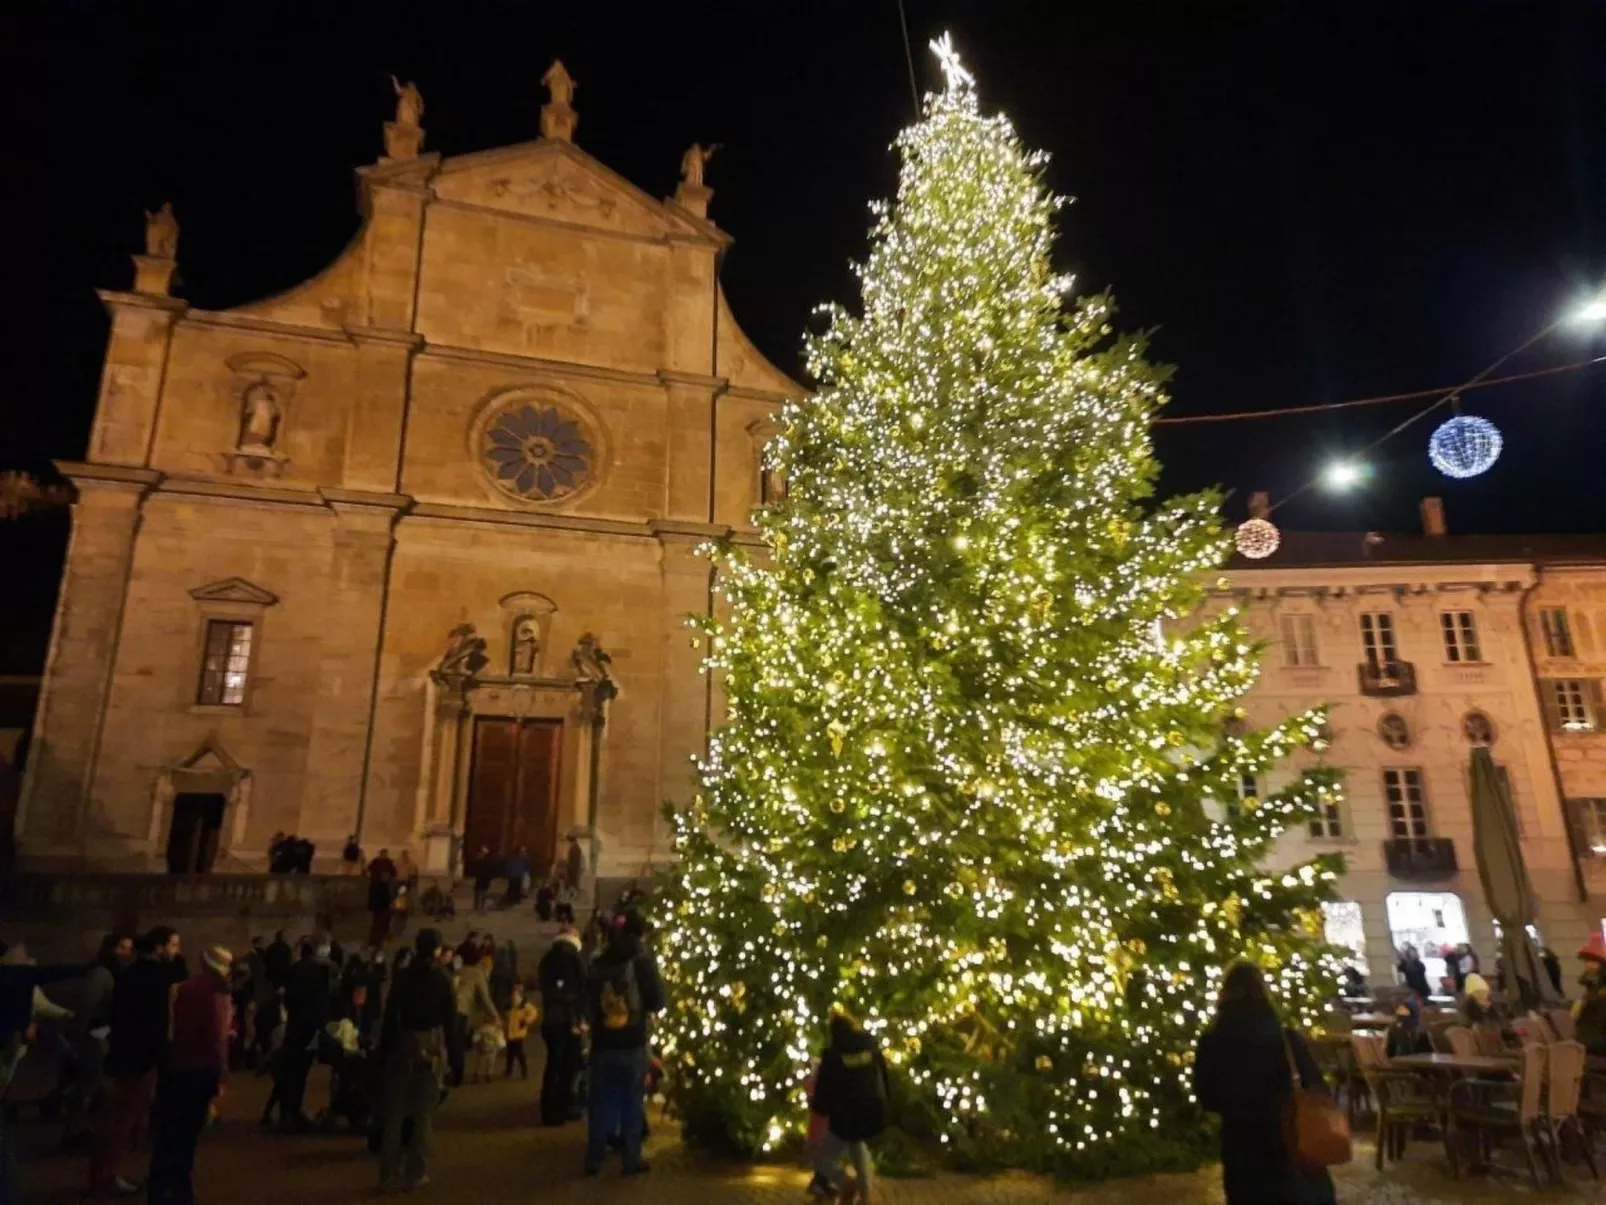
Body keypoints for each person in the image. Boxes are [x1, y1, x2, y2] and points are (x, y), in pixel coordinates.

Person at [1194, 961, 1337, 1205]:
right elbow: (1317, 1087)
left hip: (1240, 1144)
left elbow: (1207, 1096)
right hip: (1288, 1142)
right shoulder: (1286, 1038)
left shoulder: (1212, 1041)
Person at [92, 930, 178, 1197]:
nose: (176, 950)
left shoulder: (128, 974)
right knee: (123, 1120)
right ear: (159, 947)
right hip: (142, 1059)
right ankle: (106, 1178)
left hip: (124, 1054)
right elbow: (162, 1023)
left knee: (119, 1118)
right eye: (173, 944)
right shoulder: (160, 978)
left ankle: (105, 1174)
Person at [378, 928, 461, 1193]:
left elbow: (390, 1016)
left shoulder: (402, 977)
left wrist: (385, 1050)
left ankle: (387, 1174)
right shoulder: (442, 978)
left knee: (394, 1115)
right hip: (432, 1044)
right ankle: (416, 1173)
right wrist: (456, 1059)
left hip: (403, 1043)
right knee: (424, 1114)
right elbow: (451, 1022)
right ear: (437, 949)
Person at [147, 947, 232, 1205]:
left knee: (170, 1130)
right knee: (188, 1133)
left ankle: (158, 1187)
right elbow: (217, 1036)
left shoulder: (181, 988)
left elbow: (171, 1029)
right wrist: (222, 1071)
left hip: (177, 1064)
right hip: (202, 1066)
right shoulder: (219, 991)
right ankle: (180, 1188)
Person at [584, 908, 664, 1176]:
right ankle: (631, 1159)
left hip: (603, 1042)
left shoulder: (599, 961)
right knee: (631, 1102)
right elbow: (657, 1001)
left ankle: (594, 1157)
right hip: (632, 1042)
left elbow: (588, 1004)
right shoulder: (641, 962)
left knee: (601, 1102)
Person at [806, 1010, 890, 1203]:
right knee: (857, 1145)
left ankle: (843, 1181)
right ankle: (865, 1195)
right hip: (871, 1110)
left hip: (845, 1116)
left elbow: (824, 1090)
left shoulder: (832, 1055)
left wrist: (818, 1108)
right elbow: (883, 1075)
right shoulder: (871, 1046)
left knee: (818, 1155)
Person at [64, 933, 129, 1147]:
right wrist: (80, 1035)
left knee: (96, 1083)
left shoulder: (114, 973)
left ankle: (85, 1127)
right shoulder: (100, 974)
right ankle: (75, 1130)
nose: (126, 953)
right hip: (96, 1033)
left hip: (104, 1032)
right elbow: (87, 1006)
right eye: (122, 948)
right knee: (88, 1083)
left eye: (129, 948)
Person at [277, 936, 334, 1130]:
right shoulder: (317, 971)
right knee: (299, 1071)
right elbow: (321, 1000)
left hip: (295, 1025)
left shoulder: (296, 969)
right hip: (308, 1027)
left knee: (290, 1071)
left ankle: (287, 1112)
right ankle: (293, 1112)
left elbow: (289, 998)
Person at [538, 925, 587, 1125]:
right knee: (567, 1066)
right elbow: (582, 987)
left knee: (553, 1064)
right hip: (568, 1020)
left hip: (551, 1019)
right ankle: (562, 1108)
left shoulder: (548, 958)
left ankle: (551, 1110)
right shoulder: (573, 958)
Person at [455, 944, 501, 1083]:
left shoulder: (457, 971)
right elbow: (484, 997)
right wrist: (495, 1016)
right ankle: (458, 1075)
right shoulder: (476, 972)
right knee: (458, 1045)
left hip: (448, 1009)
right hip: (462, 1011)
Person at [1574, 934, 1606, 1056]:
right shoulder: (1592, 982)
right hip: (1590, 1035)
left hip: (1597, 1038)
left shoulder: (1600, 987)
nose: (1586, 965)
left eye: (1589, 961)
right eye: (1585, 961)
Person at [504, 985, 538, 1080]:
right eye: (513, 994)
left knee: (519, 1053)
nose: (514, 996)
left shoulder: (525, 1005)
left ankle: (524, 1071)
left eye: (516, 994)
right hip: (510, 1033)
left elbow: (533, 1013)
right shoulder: (510, 1005)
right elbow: (506, 1016)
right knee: (509, 1053)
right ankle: (509, 1070)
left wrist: (526, 1021)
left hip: (518, 1033)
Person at [367, 848, 397, 948]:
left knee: (380, 923)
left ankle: (378, 940)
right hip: (380, 906)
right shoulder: (379, 885)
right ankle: (376, 941)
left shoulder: (387, 863)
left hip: (382, 906)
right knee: (378, 924)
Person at [472, 846, 496, 912]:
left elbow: (490, 868)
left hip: (484, 877)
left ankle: (480, 906)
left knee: (482, 892)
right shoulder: (480, 859)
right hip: (481, 877)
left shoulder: (487, 860)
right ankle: (478, 906)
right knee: (479, 891)